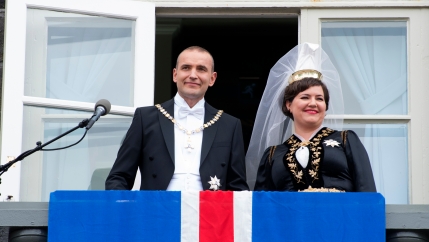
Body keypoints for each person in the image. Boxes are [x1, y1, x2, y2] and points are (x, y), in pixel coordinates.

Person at [106, 46, 249, 191]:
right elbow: (119, 177)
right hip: (157, 210)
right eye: (186, 68)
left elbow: (237, 187)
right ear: (175, 75)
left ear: (212, 78)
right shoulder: (146, 118)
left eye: (201, 69)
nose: (193, 75)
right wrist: (126, 210)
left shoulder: (230, 125)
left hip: (208, 212)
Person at [246, 42, 376, 192]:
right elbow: (263, 204)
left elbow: (367, 191)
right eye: (305, 97)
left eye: (320, 99)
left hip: (339, 215)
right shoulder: (273, 154)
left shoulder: (346, 140)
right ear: (289, 104)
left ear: (326, 107)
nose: (313, 103)